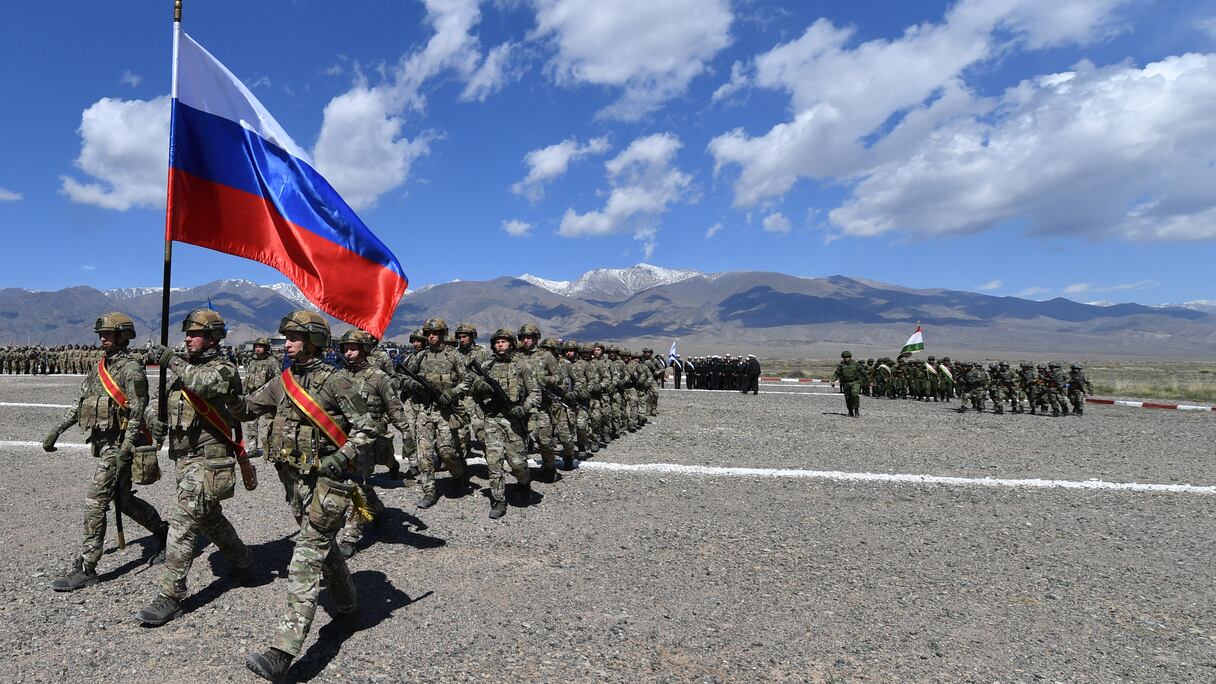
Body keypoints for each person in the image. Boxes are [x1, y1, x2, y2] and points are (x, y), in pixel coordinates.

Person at [240, 311, 376, 682]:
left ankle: (282, 652)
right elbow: (245, 407)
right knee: (321, 547)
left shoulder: (338, 382)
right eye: (286, 337)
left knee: (305, 556)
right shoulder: (284, 381)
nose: (286, 343)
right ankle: (348, 607)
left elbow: (370, 427)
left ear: (315, 342)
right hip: (296, 484)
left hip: (330, 484)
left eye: (295, 338)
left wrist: (342, 455)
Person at [136, 309, 253, 626]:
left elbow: (201, 386)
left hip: (210, 460)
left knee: (183, 522)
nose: (187, 337)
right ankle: (243, 561)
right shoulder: (182, 372)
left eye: (194, 333)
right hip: (184, 460)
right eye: (186, 332)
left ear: (213, 337)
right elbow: (164, 406)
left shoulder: (224, 369)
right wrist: (154, 422)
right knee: (210, 519)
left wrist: (169, 359)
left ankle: (170, 596)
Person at [43, 313, 168, 592]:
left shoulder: (131, 370)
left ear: (124, 336)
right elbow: (82, 403)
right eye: (101, 333)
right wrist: (57, 429)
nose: (103, 338)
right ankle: (165, 533)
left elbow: (137, 411)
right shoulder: (100, 367)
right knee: (125, 502)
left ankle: (88, 567)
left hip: (121, 446)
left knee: (96, 500)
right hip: (106, 445)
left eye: (109, 334)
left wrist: (126, 449)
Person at [335, 328, 412, 559]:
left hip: (368, 440)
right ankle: (377, 511)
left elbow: (394, 408)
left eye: (354, 348)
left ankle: (350, 536)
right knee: (361, 485)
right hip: (343, 438)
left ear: (365, 349)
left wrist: (407, 436)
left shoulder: (379, 377)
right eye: (345, 348)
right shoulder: (340, 377)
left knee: (356, 486)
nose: (348, 353)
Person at [399, 318, 469, 509]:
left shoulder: (453, 356)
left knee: (447, 451)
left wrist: (452, 392)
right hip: (425, 410)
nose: (431, 336)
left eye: (435, 333)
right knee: (425, 454)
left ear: (443, 335)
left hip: (446, 412)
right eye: (428, 333)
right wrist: (411, 383)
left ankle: (459, 475)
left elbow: (467, 380)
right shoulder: (420, 357)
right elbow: (402, 376)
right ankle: (429, 492)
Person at [467, 329, 537, 518]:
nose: (500, 344)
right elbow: (472, 389)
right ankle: (499, 500)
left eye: (504, 341)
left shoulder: (521, 366)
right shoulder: (486, 365)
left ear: (511, 344)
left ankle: (524, 483)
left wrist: (524, 408)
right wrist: (478, 386)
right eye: (497, 342)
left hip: (514, 420)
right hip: (492, 419)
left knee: (517, 463)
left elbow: (534, 392)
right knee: (494, 461)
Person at [243, 337, 280, 458]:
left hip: (267, 398)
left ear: (266, 348)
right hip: (252, 397)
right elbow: (248, 377)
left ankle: (274, 448)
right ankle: (252, 448)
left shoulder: (272, 362)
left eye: (261, 346)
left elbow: (278, 379)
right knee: (251, 423)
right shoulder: (252, 361)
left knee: (270, 423)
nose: (258, 349)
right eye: (256, 346)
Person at [832, 351, 864, 417]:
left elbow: (864, 373)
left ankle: (856, 411)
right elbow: (836, 373)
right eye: (845, 357)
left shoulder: (856, 365)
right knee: (848, 398)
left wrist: (870, 381)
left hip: (855, 382)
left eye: (847, 357)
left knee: (854, 395)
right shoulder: (841, 366)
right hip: (846, 384)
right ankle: (850, 411)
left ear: (850, 357)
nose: (846, 359)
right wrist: (832, 380)